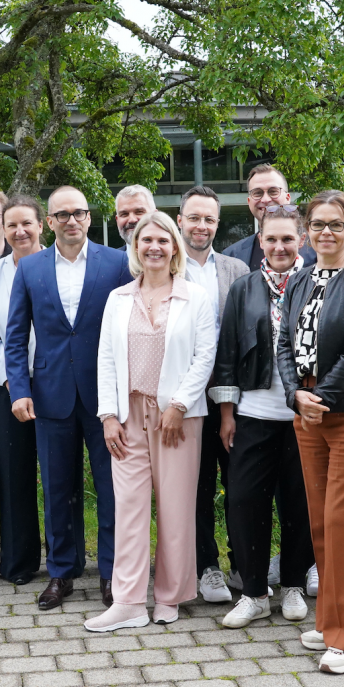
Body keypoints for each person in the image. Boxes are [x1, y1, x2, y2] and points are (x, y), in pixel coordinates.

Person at [86, 211, 215, 630]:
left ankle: (170, 597)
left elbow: (203, 357)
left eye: (163, 240)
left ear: (174, 247)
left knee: (176, 509)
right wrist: (108, 416)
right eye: (146, 241)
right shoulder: (118, 298)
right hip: (127, 417)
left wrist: (178, 405)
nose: (154, 247)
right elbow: (105, 358)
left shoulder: (195, 297)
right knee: (129, 509)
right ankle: (127, 602)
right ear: (136, 248)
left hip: (177, 417)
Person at [275, 191, 344, 672]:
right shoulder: (298, 280)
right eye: (317, 224)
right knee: (321, 522)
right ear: (306, 231)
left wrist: (321, 397)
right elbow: (281, 343)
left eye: (335, 224)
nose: (325, 232)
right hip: (306, 413)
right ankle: (329, 621)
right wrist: (294, 395)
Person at [5, 185, 132, 610]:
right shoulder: (30, 268)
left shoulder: (117, 263)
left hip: (106, 398)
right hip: (50, 394)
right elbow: (16, 336)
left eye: (79, 212)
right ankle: (62, 572)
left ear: (90, 217)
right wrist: (19, 389)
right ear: (50, 221)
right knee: (57, 487)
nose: (71, 220)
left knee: (111, 488)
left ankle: (112, 575)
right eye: (62, 214)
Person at [211, 206, 315, 628]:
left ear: (301, 240)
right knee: (244, 502)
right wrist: (226, 413)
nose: (279, 247)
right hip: (253, 413)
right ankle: (254, 592)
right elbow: (228, 353)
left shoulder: (317, 284)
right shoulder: (245, 288)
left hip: (303, 416)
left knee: (300, 503)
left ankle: (292, 584)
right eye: (271, 239)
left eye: (287, 238)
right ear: (261, 241)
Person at [173, 186, 248, 604]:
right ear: (180, 219)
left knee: (240, 484)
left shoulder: (237, 271)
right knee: (197, 488)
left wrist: (231, 401)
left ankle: (242, 565)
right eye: (194, 217)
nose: (201, 226)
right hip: (184, 400)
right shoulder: (165, 269)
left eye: (209, 219)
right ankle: (207, 567)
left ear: (217, 224)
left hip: (234, 398)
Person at [0, 195, 45, 585]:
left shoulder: (57, 265)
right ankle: (18, 561)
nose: (19, 231)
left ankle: (63, 556)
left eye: (26, 223)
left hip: (54, 383)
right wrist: (10, 377)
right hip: (6, 386)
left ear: (42, 225)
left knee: (58, 474)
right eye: (12, 225)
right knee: (13, 473)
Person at [223, 164, 315, 271]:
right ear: (249, 202)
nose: (265, 199)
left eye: (273, 191)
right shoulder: (232, 256)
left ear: (287, 198)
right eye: (257, 193)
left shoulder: (316, 250)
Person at [114, 185, 156, 250]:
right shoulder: (107, 260)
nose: (132, 220)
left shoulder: (174, 258)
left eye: (139, 212)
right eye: (124, 214)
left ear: (155, 215)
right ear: (117, 220)